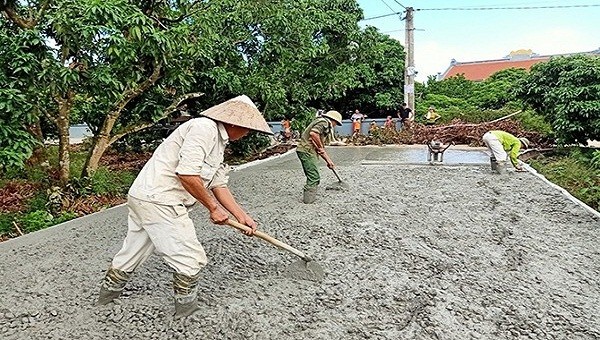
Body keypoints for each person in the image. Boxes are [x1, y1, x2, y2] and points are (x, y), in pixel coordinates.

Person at [95, 95, 274, 319]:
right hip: (160, 200)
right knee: (190, 258)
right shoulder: (203, 129)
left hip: (147, 197)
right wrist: (213, 208)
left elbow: (218, 184)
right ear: (233, 123)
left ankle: (105, 298)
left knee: (134, 250)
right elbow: (187, 174)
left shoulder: (219, 141)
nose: (248, 133)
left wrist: (241, 216)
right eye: (247, 129)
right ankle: (186, 311)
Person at [296, 110, 343, 204]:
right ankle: (308, 201)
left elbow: (320, 149)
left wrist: (329, 161)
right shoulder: (324, 122)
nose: (335, 126)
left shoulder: (322, 123)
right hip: (307, 150)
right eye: (336, 124)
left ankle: (310, 198)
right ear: (333, 120)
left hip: (308, 150)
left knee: (314, 174)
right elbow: (313, 134)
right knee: (314, 176)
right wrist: (320, 147)